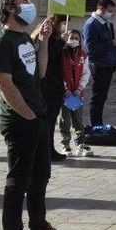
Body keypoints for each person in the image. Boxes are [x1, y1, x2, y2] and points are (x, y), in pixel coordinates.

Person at [0, 0, 59, 230]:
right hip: (19, 120)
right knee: (18, 181)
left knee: (40, 176)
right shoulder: (0, 43)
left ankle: (37, 228)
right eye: (24, 3)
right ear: (9, 9)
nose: (30, 7)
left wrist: (44, 42)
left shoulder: (25, 40)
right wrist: (28, 116)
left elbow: (40, 71)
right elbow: (5, 86)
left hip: (37, 117)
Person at [82, 0, 116, 127]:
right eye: (109, 11)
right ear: (101, 8)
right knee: (98, 97)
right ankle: (95, 125)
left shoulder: (106, 23)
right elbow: (90, 48)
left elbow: (106, 43)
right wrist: (111, 43)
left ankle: (98, 123)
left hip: (108, 64)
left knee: (102, 97)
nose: (111, 14)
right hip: (98, 65)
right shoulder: (91, 24)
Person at [35, 14, 69, 162]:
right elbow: (47, 58)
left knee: (51, 120)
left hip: (56, 85)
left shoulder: (56, 39)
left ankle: (49, 149)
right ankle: (45, 151)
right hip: (48, 86)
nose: (64, 26)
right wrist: (61, 42)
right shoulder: (46, 39)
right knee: (48, 120)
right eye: (62, 23)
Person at [59, 27, 92, 156]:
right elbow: (59, 73)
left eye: (76, 38)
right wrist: (65, 89)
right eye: (71, 37)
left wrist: (80, 89)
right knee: (65, 120)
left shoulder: (83, 55)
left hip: (77, 94)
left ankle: (80, 143)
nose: (73, 40)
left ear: (80, 41)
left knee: (78, 119)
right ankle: (65, 144)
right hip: (65, 94)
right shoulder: (61, 54)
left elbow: (86, 73)